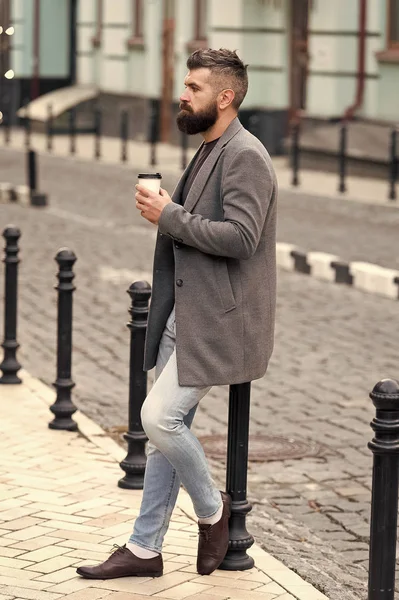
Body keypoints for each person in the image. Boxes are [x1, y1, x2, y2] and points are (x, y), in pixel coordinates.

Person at [77, 47, 277, 581]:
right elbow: (196, 223)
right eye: (185, 85)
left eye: (194, 88)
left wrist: (170, 215)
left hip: (219, 319)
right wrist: (170, 212)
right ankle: (145, 549)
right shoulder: (209, 147)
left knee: (157, 420)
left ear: (226, 96)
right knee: (169, 435)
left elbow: (241, 238)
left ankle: (213, 512)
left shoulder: (246, 155)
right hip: (182, 313)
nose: (182, 95)